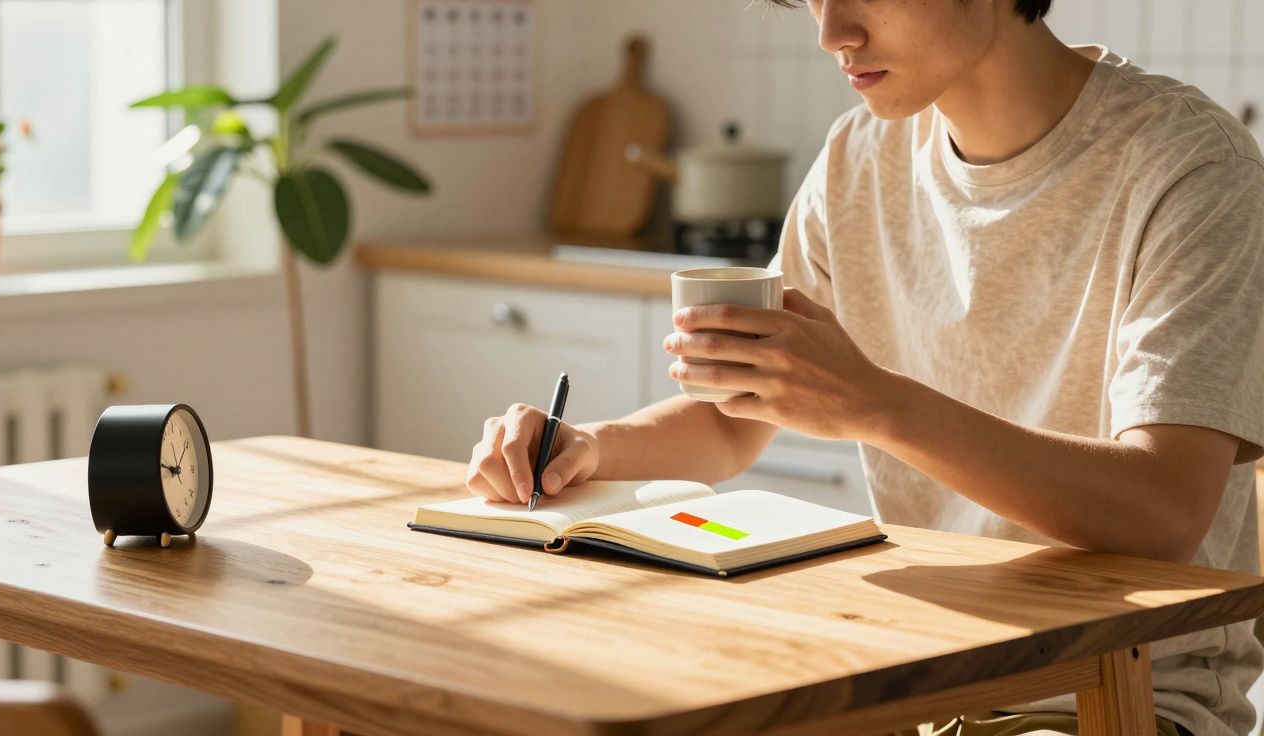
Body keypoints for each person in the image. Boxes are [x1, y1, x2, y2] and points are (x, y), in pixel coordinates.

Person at [465, 1, 1264, 734]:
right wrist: (591, 448)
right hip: (906, 681)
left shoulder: (1192, 168)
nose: (831, 32)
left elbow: (1161, 513)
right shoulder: (859, 156)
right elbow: (733, 415)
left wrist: (877, 406)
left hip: (1115, 700)